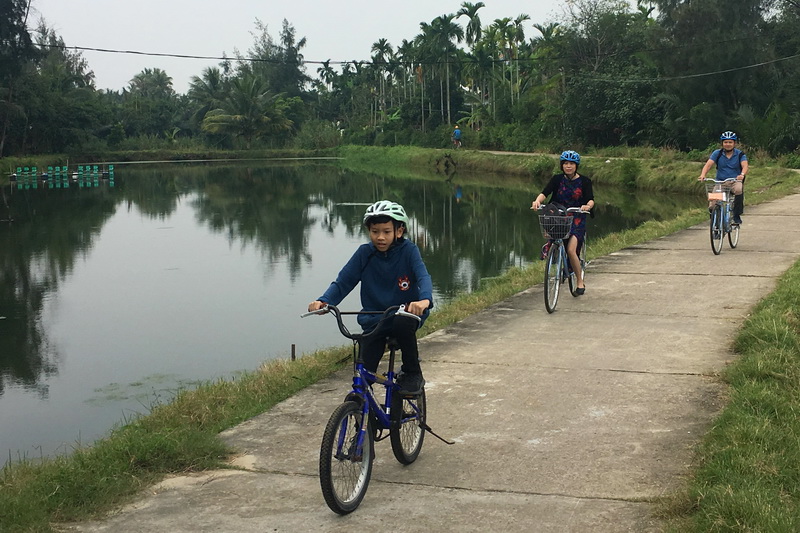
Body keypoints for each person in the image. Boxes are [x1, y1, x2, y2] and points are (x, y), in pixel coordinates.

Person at [308, 200, 433, 395]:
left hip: (406, 313)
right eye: (375, 232)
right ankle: (361, 410)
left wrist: (424, 300)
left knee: (402, 322)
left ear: (399, 231)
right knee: (363, 375)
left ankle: (412, 372)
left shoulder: (409, 251)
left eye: (386, 231)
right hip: (375, 319)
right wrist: (324, 301)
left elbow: (423, 276)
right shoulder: (364, 254)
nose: (380, 237)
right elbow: (343, 282)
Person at [530, 150, 595, 295]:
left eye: (571, 163)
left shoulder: (585, 181)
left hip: (576, 217)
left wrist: (587, 206)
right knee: (553, 238)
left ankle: (579, 281)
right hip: (559, 216)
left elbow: (590, 198)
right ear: (562, 165)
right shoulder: (557, 179)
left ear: (576, 166)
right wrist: (537, 201)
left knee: (571, 250)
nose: (568, 166)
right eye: (565, 163)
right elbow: (545, 192)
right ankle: (555, 254)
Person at [698, 131, 748, 224]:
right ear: (722, 143)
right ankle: (715, 225)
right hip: (720, 183)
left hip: (734, 181)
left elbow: (745, 166)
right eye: (725, 142)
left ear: (734, 143)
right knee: (712, 204)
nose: (728, 144)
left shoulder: (740, 154)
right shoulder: (717, 153)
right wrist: (703, 175)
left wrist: (742, 174)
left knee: (738, 189)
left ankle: (737, 215)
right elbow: (708, 164)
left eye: (730, 142)